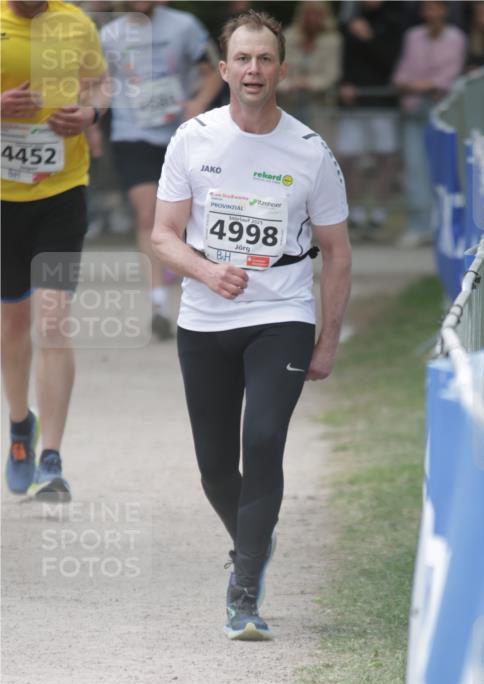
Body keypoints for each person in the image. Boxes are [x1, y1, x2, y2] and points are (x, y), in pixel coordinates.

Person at [151, 9, 351, 641]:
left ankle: (244, 591)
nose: (254, 69)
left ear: (282, 70)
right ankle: (253, 539)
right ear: (223, 69)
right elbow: (163, 235)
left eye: (265, 59)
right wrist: (207, 272)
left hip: (281, 314)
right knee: (215, 467)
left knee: (262, 438)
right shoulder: (193, 139)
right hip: (205, 317)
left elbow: (337, 252)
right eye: (242, 59)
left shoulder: (310, 151)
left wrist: (327, 339)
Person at [1, 0, 108, 500]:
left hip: (62, 193)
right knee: (13, 324)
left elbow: (99, 83)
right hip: (4, 200)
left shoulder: (76, 23)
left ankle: (52, 459)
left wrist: (90, 112)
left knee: (51, 320)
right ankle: (20, 426)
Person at [100, 1, 221, 341]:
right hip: (132, 134)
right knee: (148, 214)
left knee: (191, 217)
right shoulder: (109, 34)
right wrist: (88, 121)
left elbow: (213, 72)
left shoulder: (184, 25)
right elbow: (100, 85)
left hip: (179, 135)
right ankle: (158, 306)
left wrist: (197, 103)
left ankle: (202, 299)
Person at [392, 0, 466, 247]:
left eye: (436, 7)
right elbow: (404, 70)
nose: (431, 12)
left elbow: (451, 73)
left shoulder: (456, 37)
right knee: (415, 168)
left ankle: (444, 226)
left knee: (444, 168)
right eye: (427, 7)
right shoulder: (413, 36)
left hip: (443, 110)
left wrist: (427, 84)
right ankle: (418, 225)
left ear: (445, 10)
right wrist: (409, 83)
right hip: (415, 108)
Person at [335, 0, 404, 236]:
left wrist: (369, 38)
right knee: (348, 158)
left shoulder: (394, 19)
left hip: (382, 102)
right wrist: (344, 83)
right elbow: (344, 60)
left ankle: (379, 212)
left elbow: (392, 61)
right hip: (353, 104)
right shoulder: (351, 19)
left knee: (385, 158)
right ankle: (354, 210)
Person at [278, 1, 341, 134]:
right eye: (308, 14)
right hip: (289, 105)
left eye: (316, 14)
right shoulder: (288, 37)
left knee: (318, 142)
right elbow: (277, 71)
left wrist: (308, 84)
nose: (312, 18)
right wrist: (289, 85)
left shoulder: (332, 41)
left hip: (320, 107)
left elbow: (331, 74)